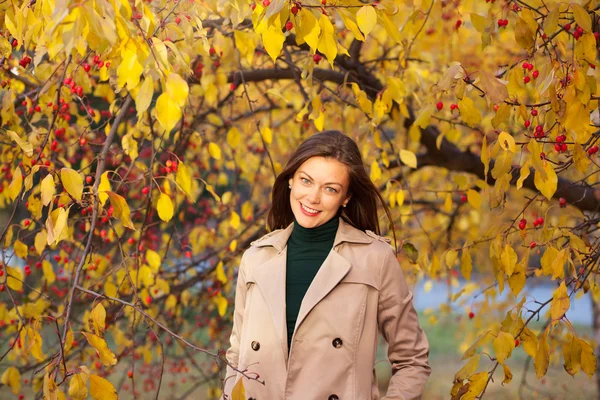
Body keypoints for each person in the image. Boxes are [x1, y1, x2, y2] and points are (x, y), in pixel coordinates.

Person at [221, 130, 431, 399]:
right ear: (290, 182)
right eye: (306, 181)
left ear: (346, 197)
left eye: (330, 188)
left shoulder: (374, 259)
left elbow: (412, 359)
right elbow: (238, 354)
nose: (313, 198)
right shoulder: (256, 258)